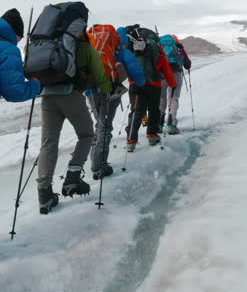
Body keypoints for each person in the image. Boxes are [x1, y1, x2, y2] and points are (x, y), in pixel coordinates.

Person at [37, 31, 111, 215]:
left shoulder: (49, 44)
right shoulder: (85, 47)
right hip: (71, 95)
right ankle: (72, 176)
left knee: (48, 143)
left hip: (47, 96)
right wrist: (108, 89)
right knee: (86, 135)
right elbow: (100, 76)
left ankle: (44, 195)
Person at [86, 26, 145, 180]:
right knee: (105, 126)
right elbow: (139, 78)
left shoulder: (92, 45)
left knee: (98, 124)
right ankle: (100, 166)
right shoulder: (120, 50)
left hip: (90, 90)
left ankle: (95, 161)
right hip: (109, 91)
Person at [125, 26, 176, 151]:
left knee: (136, 111)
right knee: (154, 109)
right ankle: (152, 136)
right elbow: (165, 67)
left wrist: (131, 81)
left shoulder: (132, 47)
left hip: (136, 84)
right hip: (154, 85)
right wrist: (172, 83)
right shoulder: (156, 48)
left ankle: (131, 140)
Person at [0, 8, 41, 101]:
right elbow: (15, 92)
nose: (18, 41)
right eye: (20, 38)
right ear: (15, 33)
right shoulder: (9, 49)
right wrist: (35, 84)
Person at [159, 35, 191, 134]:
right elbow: (187, 64)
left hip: (162, 74)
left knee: (161, 98)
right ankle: (171, 124)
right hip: (175, 73)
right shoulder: (178, 47)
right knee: (173, 98)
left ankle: (159, 124)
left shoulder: (159, 46)